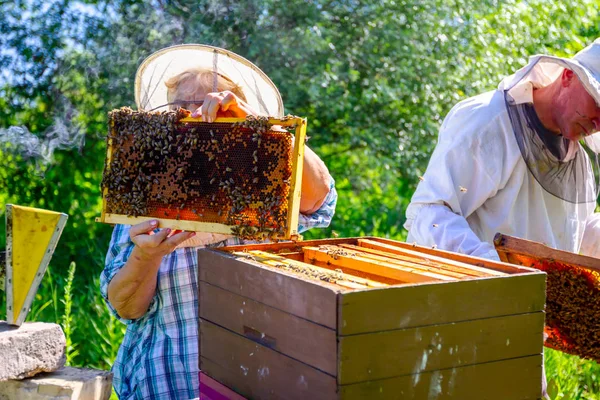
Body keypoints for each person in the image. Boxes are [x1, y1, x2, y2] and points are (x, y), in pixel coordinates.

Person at [101, 44, 338, 399]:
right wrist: (145, 257)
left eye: (209, 101)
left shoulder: (263, 174)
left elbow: (318, 199)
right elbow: (126, 306)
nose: (198, 114)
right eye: (183, 106)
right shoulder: (146, 191)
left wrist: (260, 126)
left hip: (255, 377)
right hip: (164, 376)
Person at [404, 38, 600, 399]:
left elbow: (574, 228)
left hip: (523, 335)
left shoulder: (580, 160)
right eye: (598, 103)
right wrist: (500, 271)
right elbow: (428, 213)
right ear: (569, 76)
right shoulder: (487, 122)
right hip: (459, 329)